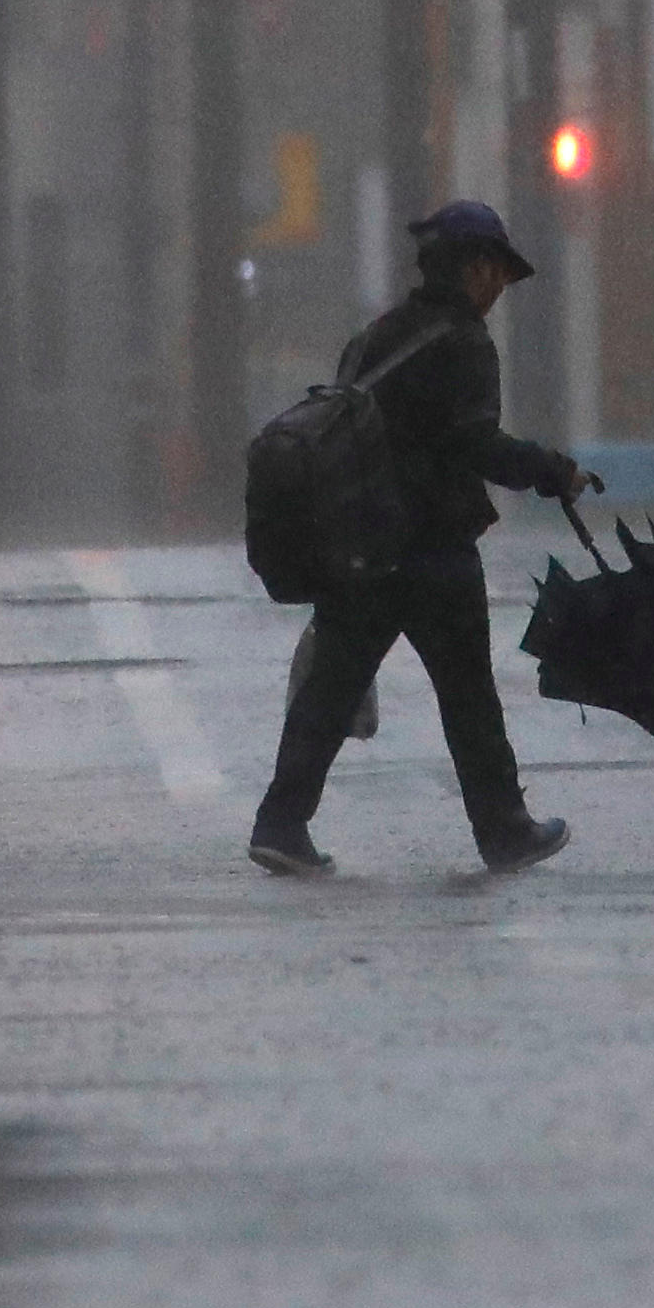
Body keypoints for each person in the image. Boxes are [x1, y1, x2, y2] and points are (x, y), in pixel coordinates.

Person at [250, 199, 603, 880]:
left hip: (360, 547)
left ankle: (280, 825)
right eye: (498, 272)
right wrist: (555, 471)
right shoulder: (465, 343)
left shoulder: (375, 337)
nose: (500, 288)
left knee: (330, 690)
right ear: (475, 268)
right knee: (469, 696)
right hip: (433, 547)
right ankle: (505, 830)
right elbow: (477, 444)